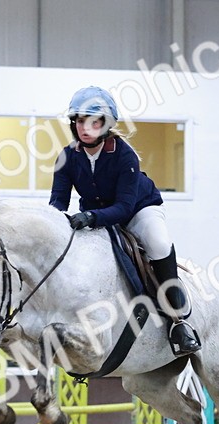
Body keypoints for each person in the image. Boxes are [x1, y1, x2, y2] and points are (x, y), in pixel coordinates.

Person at [48, 86, 200, 357]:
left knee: (158, 242)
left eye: (93, 121)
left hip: (138, 211)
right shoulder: (67, 157)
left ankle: (178, 321)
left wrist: (91, 217)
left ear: (105, 125)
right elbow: (58, 202)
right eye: (80, 121)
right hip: (96, 217)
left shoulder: (124, 155)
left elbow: (124, 207)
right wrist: (54, 225)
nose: (85, 127)